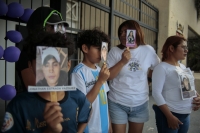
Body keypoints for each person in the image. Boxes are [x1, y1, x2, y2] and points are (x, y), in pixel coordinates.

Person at [1, 32, 91, 133]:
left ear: (68, 65)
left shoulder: (78, 98)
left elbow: (84, 117)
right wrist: (51, 130)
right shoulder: (19, 106)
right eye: (43, 63)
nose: (50, 70)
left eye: (56, 64)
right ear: (30, 66)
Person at [107, 20, 160, 133]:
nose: (122, 35)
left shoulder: (148, 50)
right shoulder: (115, 51)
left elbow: (157, 68)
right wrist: (122, 61)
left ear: (135, 32)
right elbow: (108, 76)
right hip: (117, 101)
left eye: (126, 31)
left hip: (140, 103)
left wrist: (149, 80)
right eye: (120, 32)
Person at [152, 36, 200, 133]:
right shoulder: (161, 68)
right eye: (183, 47)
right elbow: (156, 94)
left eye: (186, 47)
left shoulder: (182, 67)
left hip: (185, 115)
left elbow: (187, 88)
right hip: (170, 115)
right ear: (171, 48)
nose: (186, 50)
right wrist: (169, 117)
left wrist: (196, 96)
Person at [16, 6, 69, 91]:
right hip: (35, 103)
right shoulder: (28, 53)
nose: (56, 31)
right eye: (51, 26)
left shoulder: (58, 52)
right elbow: (37, 90)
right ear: (39, 26)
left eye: (58, 26)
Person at [71, 29, 112, 133]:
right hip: (90, 128)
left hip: (104, 127)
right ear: (85, 48)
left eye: (103, 50)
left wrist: (109, 124)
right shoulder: (78, 73)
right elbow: (83, 104)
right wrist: (100, 81)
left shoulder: (100, 70)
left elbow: (104, 100)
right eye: (98, 49)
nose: (101, 53)